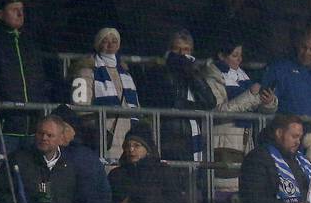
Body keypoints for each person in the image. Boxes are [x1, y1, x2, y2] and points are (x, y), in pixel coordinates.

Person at [0, 0, 58, 149]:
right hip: (4, 126)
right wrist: (0, 105)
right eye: (14, 9)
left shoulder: (30, 44)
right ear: (0, 14)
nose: (20, 14)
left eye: (22, 9)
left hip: (33, 126)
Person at [202, 36, 277, 193]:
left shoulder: (242, 75)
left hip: (245, 140)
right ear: (221, 55)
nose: (239, 60)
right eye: (234, 55)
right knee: (226, 191)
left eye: (240, 55)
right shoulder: (213, 76)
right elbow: (217, 111)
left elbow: (261, 111)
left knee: (245, 187)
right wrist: (249, 95)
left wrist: (268, 101)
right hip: (223, 141)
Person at [70, 27, 138, 161]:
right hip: (102, 134)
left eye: (114, 41)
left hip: (127, 133)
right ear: (98, 44)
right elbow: (80, 108)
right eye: (105, 41)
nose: (110, 45)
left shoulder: (125, 73)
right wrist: (96, 130)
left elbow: (135, 106)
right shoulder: (86, 70)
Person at [152, 29, 216, 162]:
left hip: (194, 132)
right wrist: (193, 107)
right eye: (177, 49)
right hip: (171, 133)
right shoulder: (161, 71)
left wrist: (192, 74)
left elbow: (210, 101)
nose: (182, 54)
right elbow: (167, 100)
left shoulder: (195, 71)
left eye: (186, 49)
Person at [260, 20, 311, 119]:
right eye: (304, 47)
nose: (307, 53)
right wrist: (269, 103)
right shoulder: (280, 69)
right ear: (298, 45)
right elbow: (264, 105)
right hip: (286, 130)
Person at [108, 123, 182, 203]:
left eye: (137, 145)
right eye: (128, 145)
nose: (131, 149)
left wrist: (134, 200)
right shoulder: (116, 174)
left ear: (147, 149)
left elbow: (173, 201)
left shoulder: (163, 171)